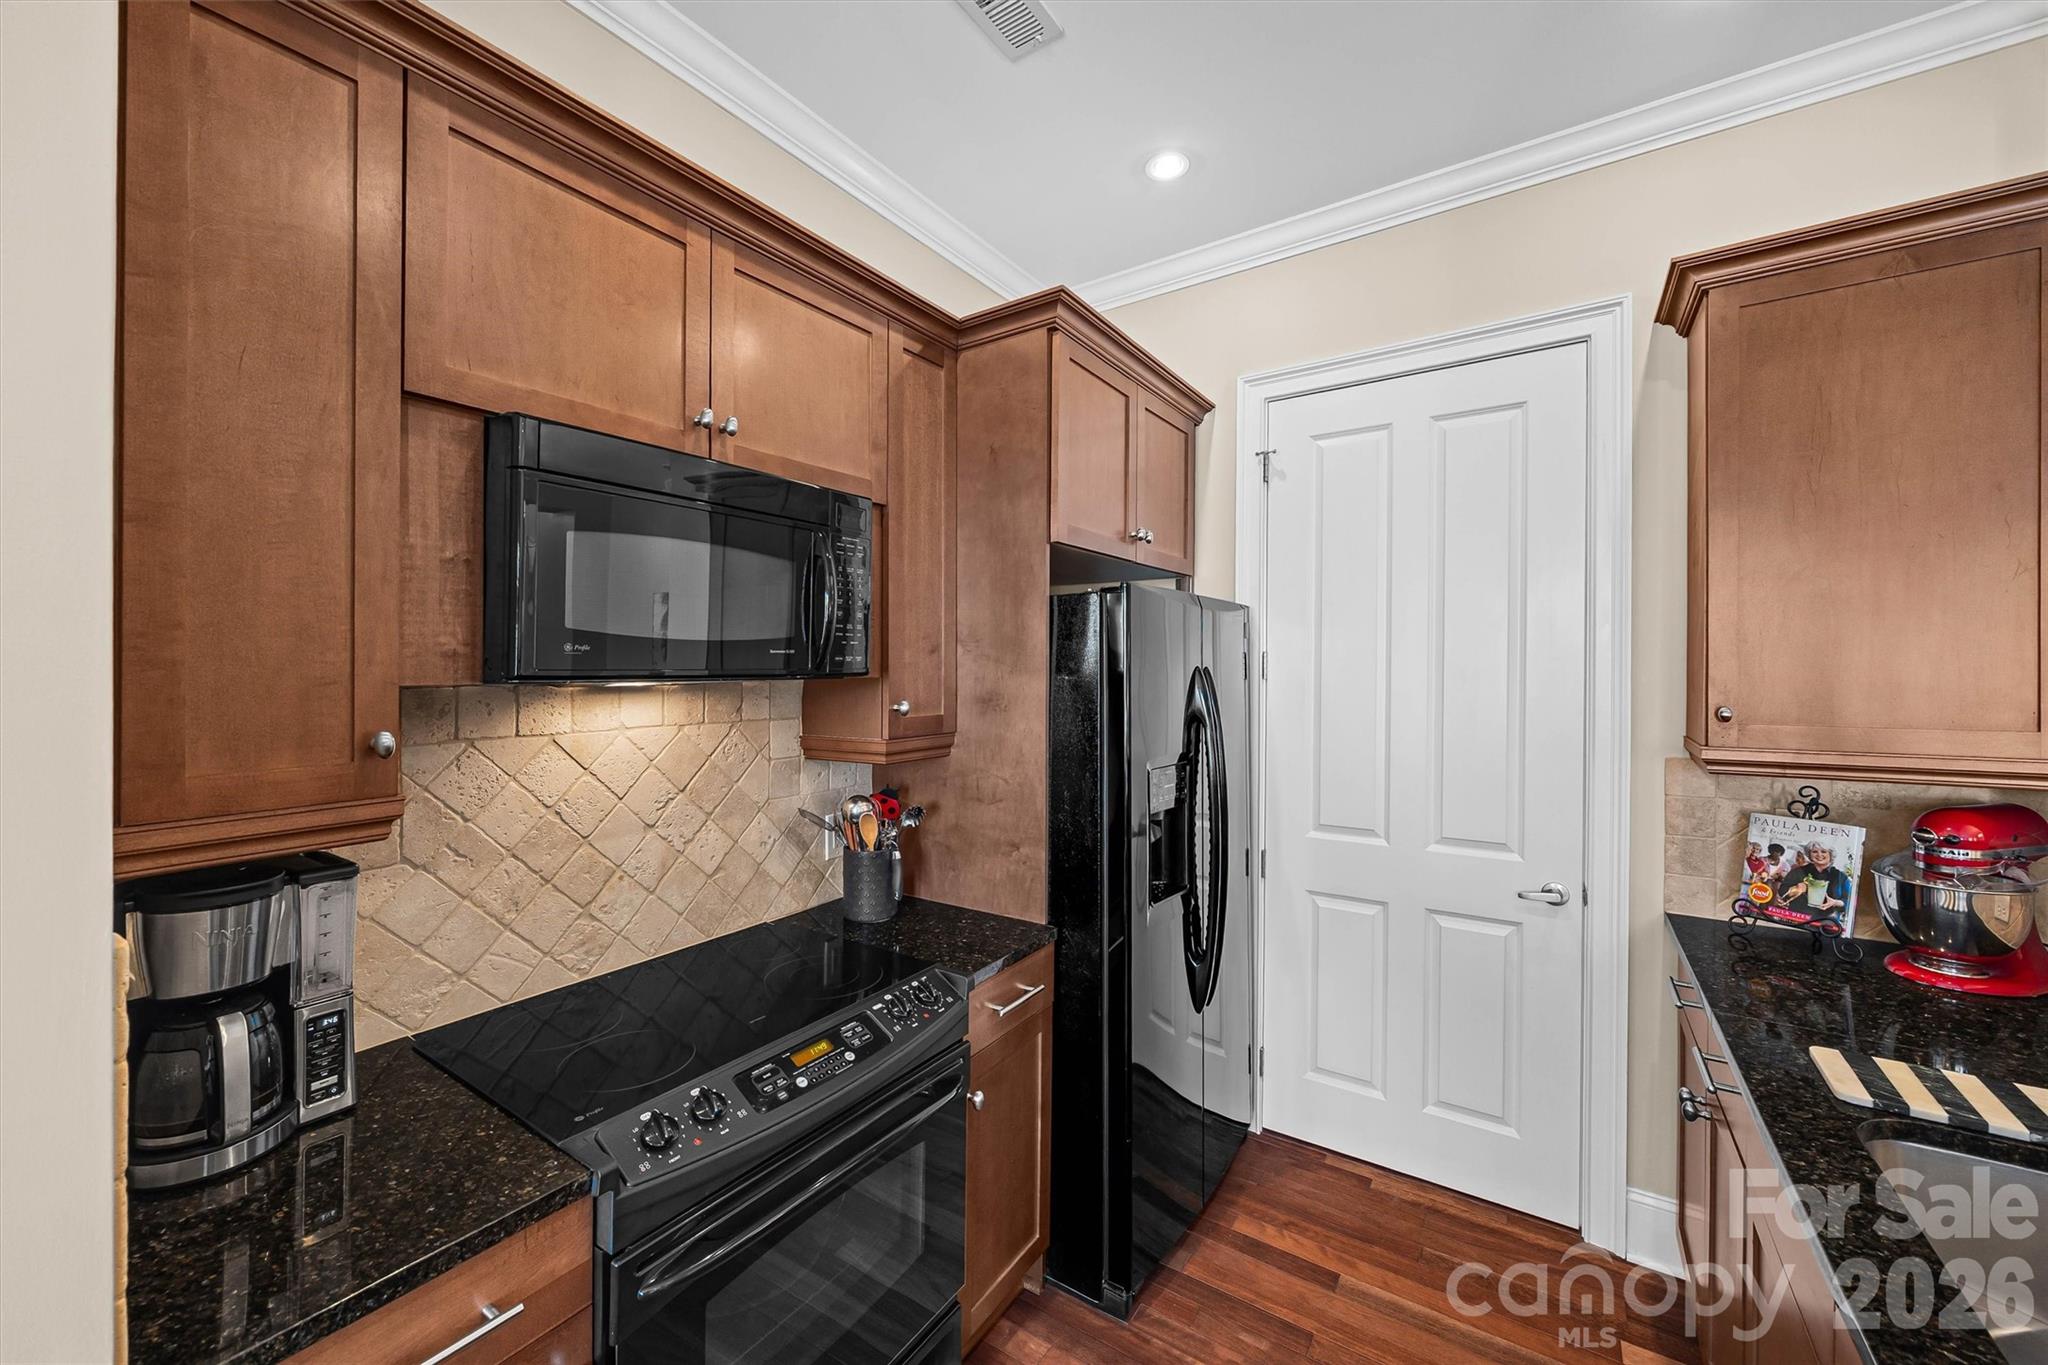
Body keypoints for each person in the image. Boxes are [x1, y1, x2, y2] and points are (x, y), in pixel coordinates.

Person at [1776, 841, 1850, 922]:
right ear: (1809, 854)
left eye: (1823, 851)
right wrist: (1796, 888)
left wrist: (1835, 902)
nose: (1819, 855)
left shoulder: (1841, 877)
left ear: (1830, 854)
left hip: (1826, 922)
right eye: (1814, 852)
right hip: (1797, 918)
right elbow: (1782, 891)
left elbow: (1847, 901)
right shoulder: (1797, 872)